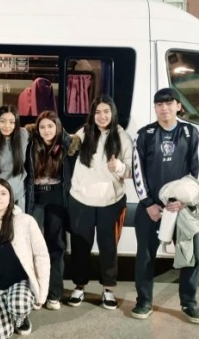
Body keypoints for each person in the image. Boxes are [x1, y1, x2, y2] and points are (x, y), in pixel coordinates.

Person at [132, 88, 199, 323]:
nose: (164, 108)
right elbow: (137, 172)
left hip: (181, 208)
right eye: (159, 104)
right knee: (145, 256)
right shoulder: (145, 134)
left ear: (178, 106)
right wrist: (149, 204)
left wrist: (183, 200)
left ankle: (189, 303)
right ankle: (143, 302)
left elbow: (196, 171)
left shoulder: (191, 133)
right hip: (150, 208)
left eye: (169, 103)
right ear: (155, 107)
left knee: (190, 254)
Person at [67, 96, 132, 310]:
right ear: (92, 114)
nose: (102, 116)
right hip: (81, 200)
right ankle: (79, 286)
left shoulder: (122, 136)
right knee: (80, 245)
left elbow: (132, 170)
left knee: (108, 246)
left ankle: (108, 289)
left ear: (112, 113)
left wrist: (120, 167)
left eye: (106, 111)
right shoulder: (84, 132)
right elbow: (69, 147)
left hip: (111, 201)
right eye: (97, 112)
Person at [0, 179, 50, 337]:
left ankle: (20, 316)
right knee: (1, 334)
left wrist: (42, 293)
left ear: (10, 198)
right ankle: (4, 313)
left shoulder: (25, 221)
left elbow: (41, 255)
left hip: (19, 283)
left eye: (3, 193)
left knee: (19, 305)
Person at [25, 110, 77, 311]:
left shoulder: (66, 147)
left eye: (50, 126)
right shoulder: (31, 145)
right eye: (42, 126)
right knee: (34, 247)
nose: (46, 130)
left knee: (56, 246)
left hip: (56, 197)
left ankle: (55, 293)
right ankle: (36, 291)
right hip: (35, 198)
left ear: (58, 127)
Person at [0, 105, 29, 211]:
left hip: (17, 198)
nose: (7, 125)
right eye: (3, 121)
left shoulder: (23, 135)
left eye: (12, 122)